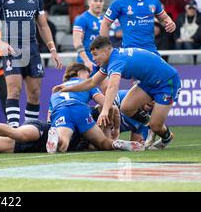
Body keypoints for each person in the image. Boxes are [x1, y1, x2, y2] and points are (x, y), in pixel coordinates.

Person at [53, 36, 181, 150]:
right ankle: (149, 125)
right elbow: (91, 82)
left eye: (96, 54)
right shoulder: (109, 60)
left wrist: (104, 111)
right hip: (150, 82)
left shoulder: (116, 61)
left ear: (106, 50)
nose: (93, 58)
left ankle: (166, 138)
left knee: (157, 126)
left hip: (167, 82)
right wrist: (65, 88)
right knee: (126, 108)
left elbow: (113, 86)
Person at [0, 0, 62, 128]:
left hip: (32, 49)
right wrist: (0, 44)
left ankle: (29, 130)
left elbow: (43, 25)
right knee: (14, 91)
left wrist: (53, 49)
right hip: (11, 49)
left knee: (34, 93)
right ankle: (14, 132)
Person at [48, 63, 143, 153]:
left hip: (61, 111)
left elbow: (49, 119)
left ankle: (57, 139)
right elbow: (110, 106)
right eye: (87, 74)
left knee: (63, 145)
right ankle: (115, 144)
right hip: (80, 109)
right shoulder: (87, 84)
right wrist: (116, 129)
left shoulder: (56, 90)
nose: (89, 77)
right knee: (102, 142)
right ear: (80, 72)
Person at [100, 0, 176, 54]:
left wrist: (170, 23)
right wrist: (106, 47)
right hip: (130, 52)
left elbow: (164, 18)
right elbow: (105, 23)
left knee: (168, 68)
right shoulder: (119, 2)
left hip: (150, 50)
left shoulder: (153, 1)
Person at [73, 0, 104, 72]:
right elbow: (77, 41)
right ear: (89, 2)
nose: (98, 3)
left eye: (101, 1)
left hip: (101, 63)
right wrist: (86, 60)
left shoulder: (104, 19)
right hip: (87, 63)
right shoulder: (82, 19)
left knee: (108, 85)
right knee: (87, 85)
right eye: (95, 1)